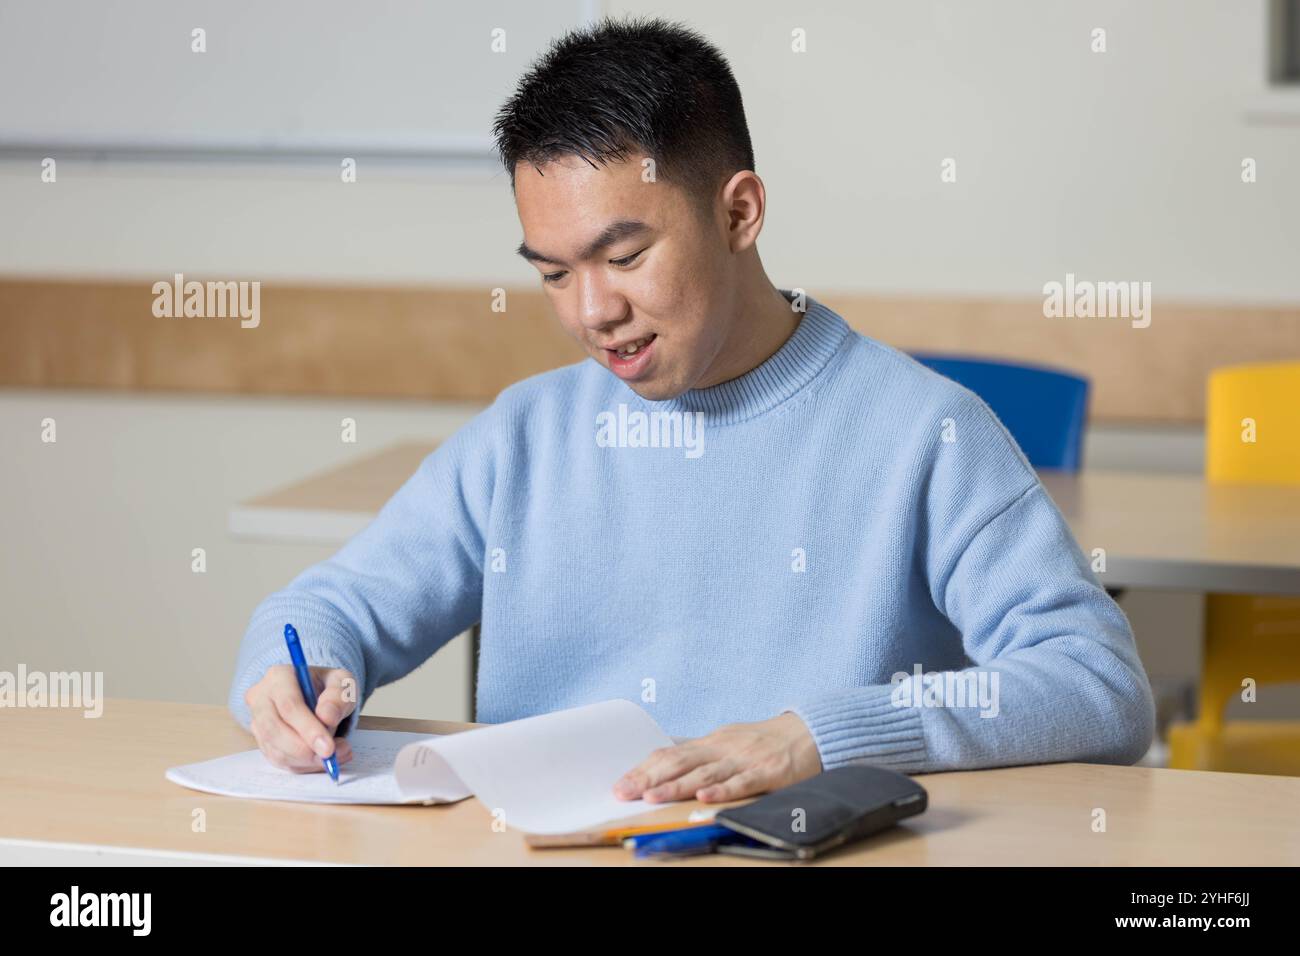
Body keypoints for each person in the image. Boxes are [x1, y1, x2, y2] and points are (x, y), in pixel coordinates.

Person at [230, 16, 1154, 806]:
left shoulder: (926, 433)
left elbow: (1096, 685)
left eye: (625, 257)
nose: (592, 312)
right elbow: (333, 603)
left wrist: (819, 736)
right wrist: (294, 672)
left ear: (740, 213)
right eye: (554, 273)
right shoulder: (525, 436)